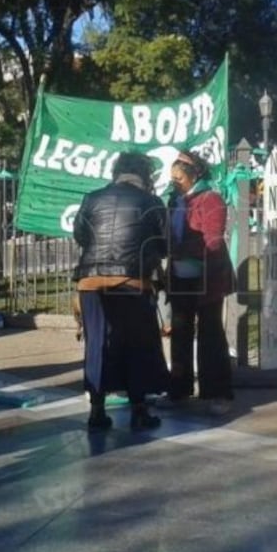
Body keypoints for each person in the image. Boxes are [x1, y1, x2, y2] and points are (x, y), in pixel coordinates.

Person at [73, 151, 170, 432]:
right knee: (138, 344)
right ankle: (139, 410)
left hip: (90, 282)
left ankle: (96, 410)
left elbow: (80, 236)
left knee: (97, 344)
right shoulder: (152, 202)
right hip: (132, 283)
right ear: (145, 175)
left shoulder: (92, 198)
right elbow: (164, 244)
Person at [161, 150, 235, 415]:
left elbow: (213, 239)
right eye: (172, 177)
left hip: (208, 276)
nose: (174, 182)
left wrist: (186, 252)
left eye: (178, 177)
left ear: (193, 176)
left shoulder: (211, 199)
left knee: (210, 333)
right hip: (181, 275)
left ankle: (217, 392)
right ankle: (179, 389)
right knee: (180, 333)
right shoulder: (175, 202)